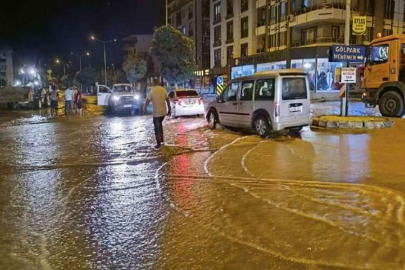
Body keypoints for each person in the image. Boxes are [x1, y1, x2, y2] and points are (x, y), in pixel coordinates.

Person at [142, 79, 171, 149]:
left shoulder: (152, 91)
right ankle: (162, 141)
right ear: (159, 83)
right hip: (163, 112)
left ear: (153, 83)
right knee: (160, 125)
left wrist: (144, 108)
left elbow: (148, 100)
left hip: (156, 113)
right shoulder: (163, 90)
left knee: (157, 128)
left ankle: (158, 144)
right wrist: (169, 110)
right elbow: (167, 100)